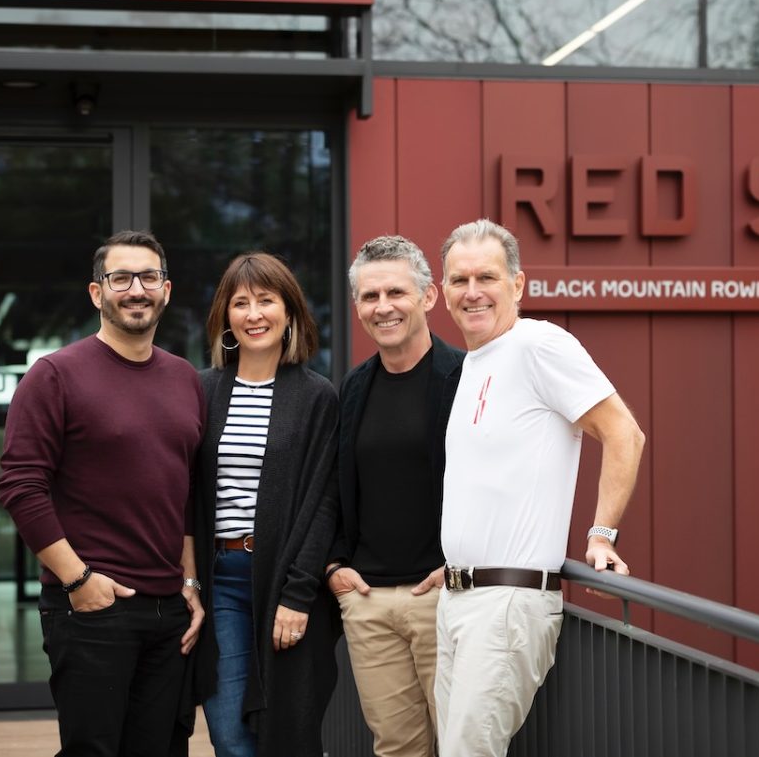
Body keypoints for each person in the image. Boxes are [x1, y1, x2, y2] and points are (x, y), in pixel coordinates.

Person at [434, 219, 646, 757]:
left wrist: (601, 536)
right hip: (460, 599)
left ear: (518, 285)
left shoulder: (539, 344)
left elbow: (624, 433)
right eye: (459, 280)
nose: (472, 292)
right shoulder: (476, 363)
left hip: (506, 605)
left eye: (487, 277)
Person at [0, 230, 206, 757]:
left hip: (168, 612)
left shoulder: (185, 379)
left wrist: (189, 581)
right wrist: (79, 580)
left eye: (148, 277)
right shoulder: (54, 376)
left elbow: (183, 491)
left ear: (166, 289)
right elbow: (21, 486)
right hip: (91, 607)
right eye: (121, 278)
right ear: (98, 293)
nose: (136, 289)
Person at [190, 252, 340, 757]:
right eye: (241, 303)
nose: (254, 314)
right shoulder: (203, 391)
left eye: (266, 300)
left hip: (284, 578)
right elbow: (186, 492)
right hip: (222, 580)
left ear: (289, 312)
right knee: (229, 731)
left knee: (287, 734)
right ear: (225, 317)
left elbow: (325, 500)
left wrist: (298, 595)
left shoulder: (318, 396)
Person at [324, 236, 464, 757]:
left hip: (444, 595)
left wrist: (460, 565)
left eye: (396, 292)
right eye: (369, 295)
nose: (383, 307)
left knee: (462, 744)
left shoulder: (466, 379)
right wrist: (335, 566)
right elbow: (333, 486)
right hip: (368, 602)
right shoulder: (352, 388)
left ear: (428, 297)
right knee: (396, 747)